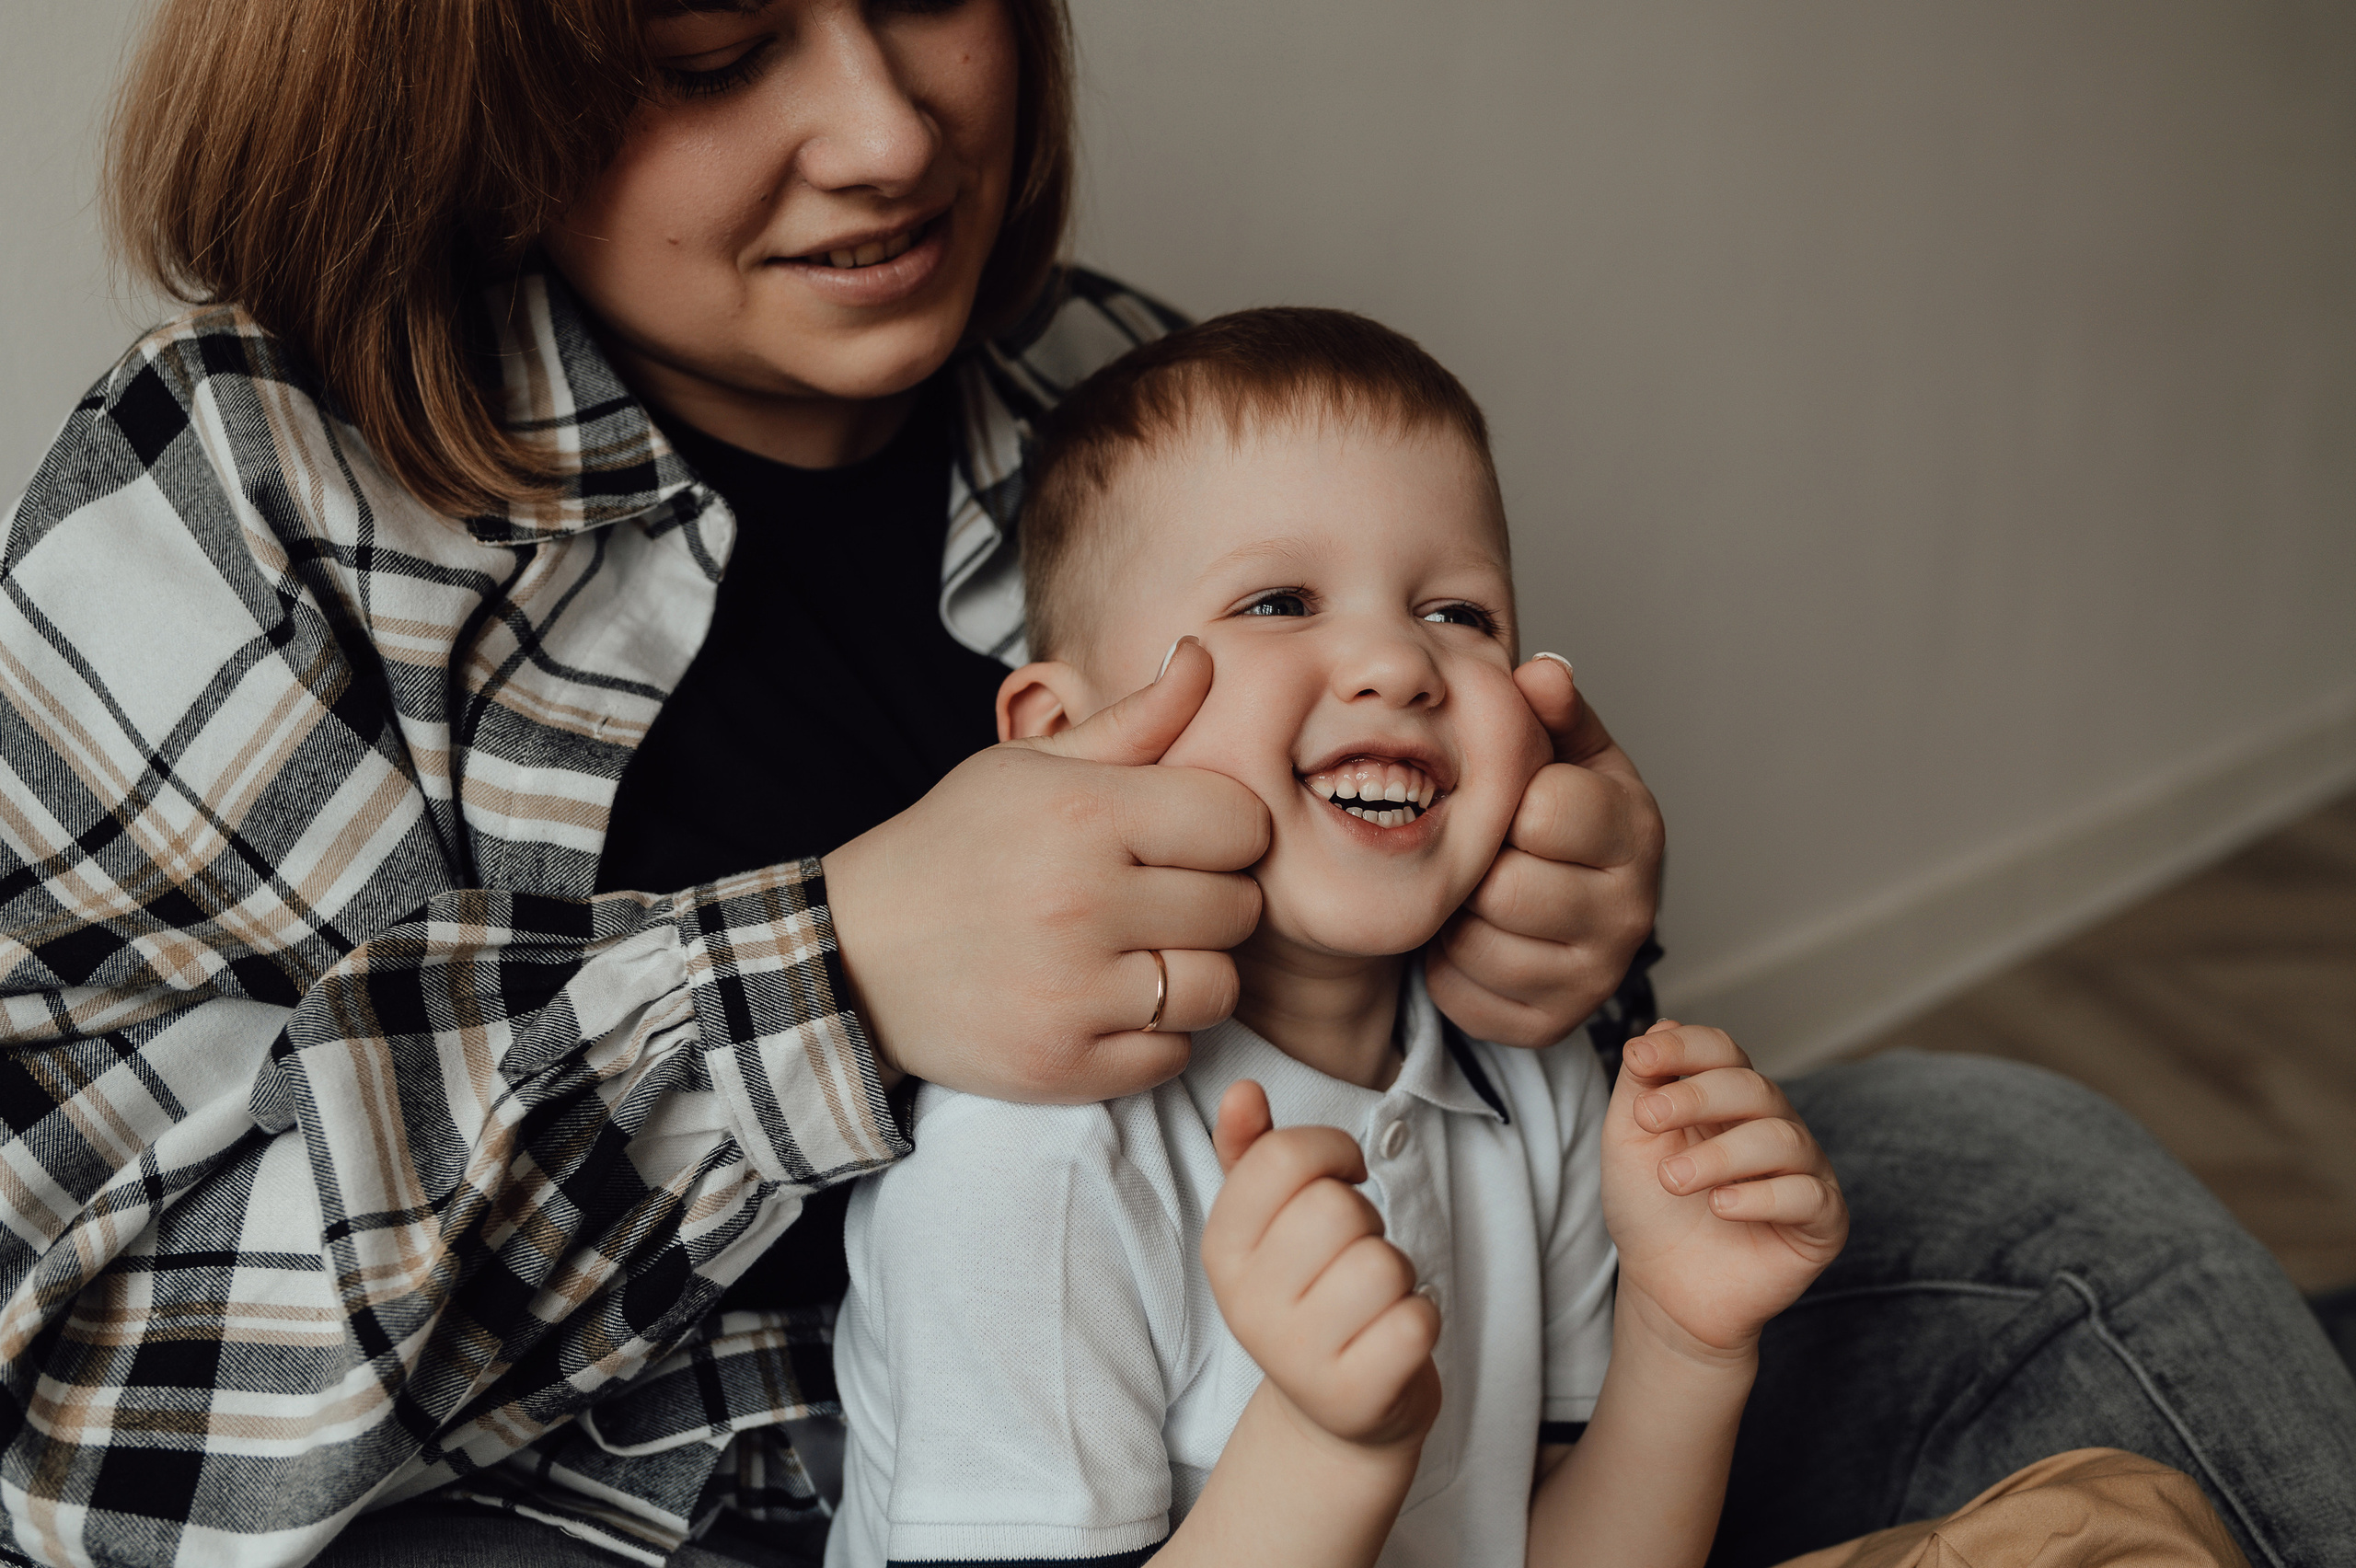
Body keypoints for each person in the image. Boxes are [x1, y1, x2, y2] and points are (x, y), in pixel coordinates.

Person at [0, 1, 2347, 1566]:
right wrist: (826, 980)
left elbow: (1456, 1121)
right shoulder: (239, 494)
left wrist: (1556, 925)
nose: (891, 130)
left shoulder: (1101, 384)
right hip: (647, 1509)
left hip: (1306, 1410)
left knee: (2027, 1177)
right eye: (713, 44)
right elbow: (70, 1391)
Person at [820, 309, 2244, 1568]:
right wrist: (1328, 1449)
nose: (1397, 661)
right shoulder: (1027, 1164)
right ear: (1063, 742)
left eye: (1458, 611)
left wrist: (1687, 1342)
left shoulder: (1526, 1079)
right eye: (1277, 602)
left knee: (2116, 1524)